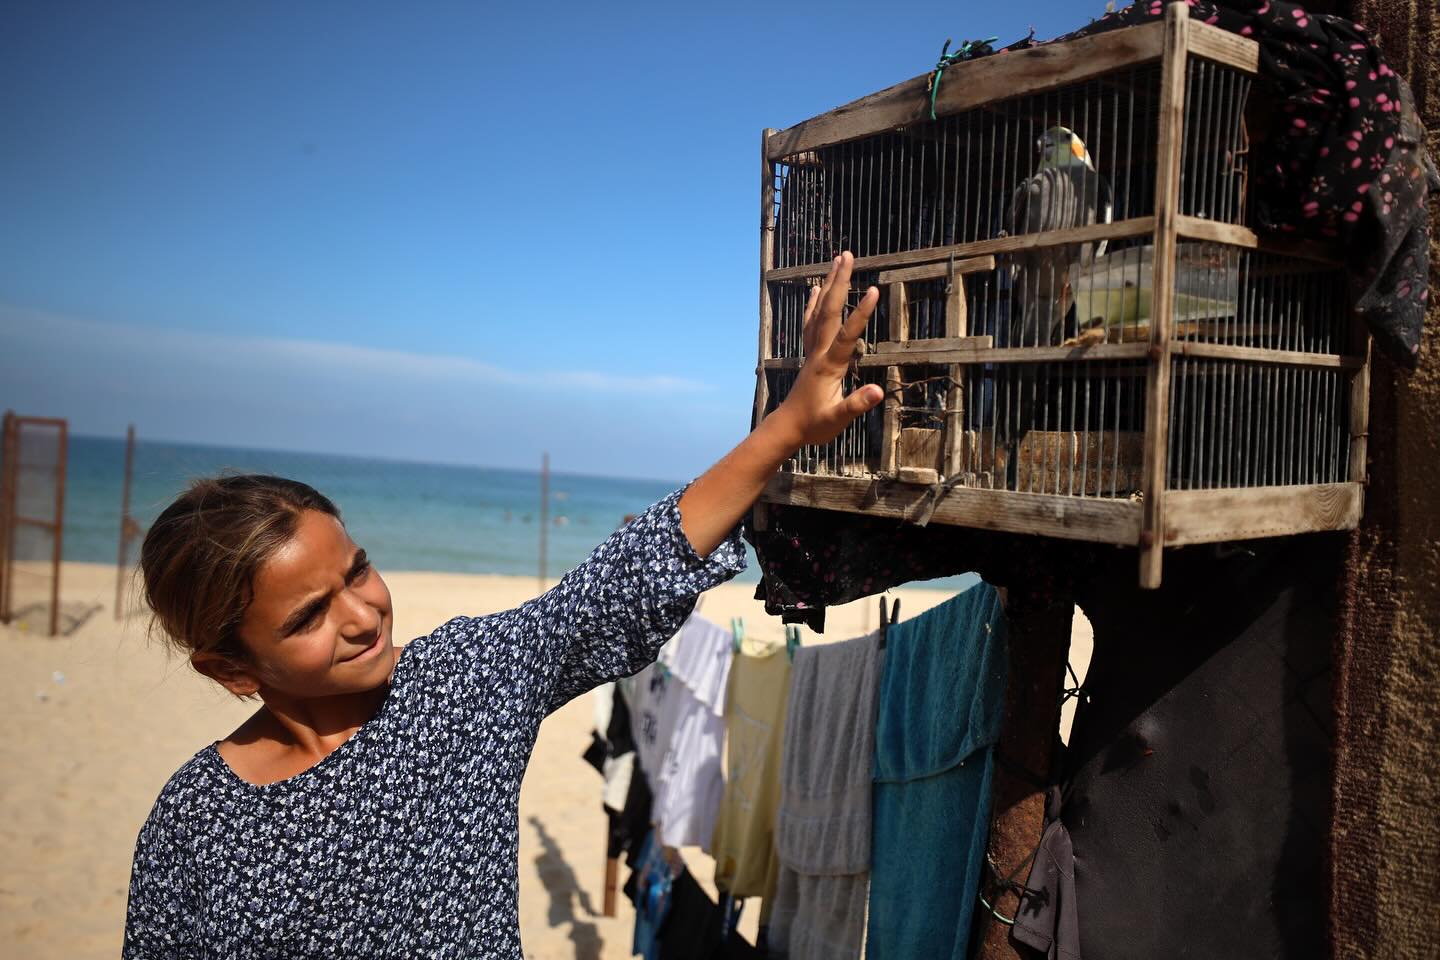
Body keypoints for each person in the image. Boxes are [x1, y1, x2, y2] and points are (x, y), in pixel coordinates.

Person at [122, 255, 883, 958]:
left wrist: (788, 426)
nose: (360, 615)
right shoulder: (194, 822)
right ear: (230, 669)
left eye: (358, 572)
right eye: (307, 617)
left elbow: (616, 587)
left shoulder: (454, 689)